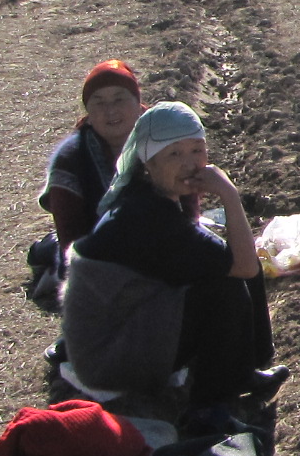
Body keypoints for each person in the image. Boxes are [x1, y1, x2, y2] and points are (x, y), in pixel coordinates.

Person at [60, 101, 286, 407]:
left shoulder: (152, 199)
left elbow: (240, 259)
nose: (190, 163)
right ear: (147, 163)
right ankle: (211, 408)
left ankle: (246, 370)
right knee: (224, 285)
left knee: (232, 263)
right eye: (174, 154)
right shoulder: (146, 214)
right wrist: (229, 195)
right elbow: (242, 266)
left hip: (131, 325)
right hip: (108, 357)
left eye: (197, 150)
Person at [28, 60, 146, 315]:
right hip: (96, 256)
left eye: (119, 99)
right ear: (88, 113)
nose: (110, 111)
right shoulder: (70, 159)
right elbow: (74, 242)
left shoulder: (160, 141)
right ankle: (45, 251)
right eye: (99, 102)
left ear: (138, 104)